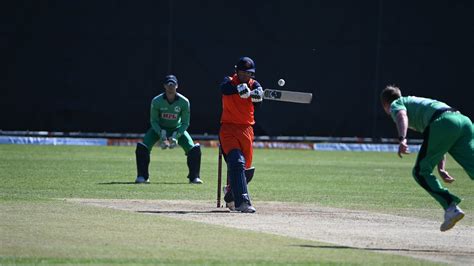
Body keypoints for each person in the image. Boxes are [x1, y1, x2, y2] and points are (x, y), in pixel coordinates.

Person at [380, 85, 473, 231]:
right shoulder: (417, 103)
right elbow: (439, 140)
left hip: (444, 122)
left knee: (420, 172)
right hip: (463, 121)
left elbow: (401, 115)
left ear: (385, 104)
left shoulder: (396, 104)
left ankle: (451, 207)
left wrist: (402, 138)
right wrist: (441, 168)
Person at [135, 75, 203, 184]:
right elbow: (154, 121)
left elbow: (185, 123)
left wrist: (176, 135)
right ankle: (142, 176)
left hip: (177, 129)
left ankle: (194, 177)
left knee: (193, 149)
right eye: (168, 85)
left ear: (177, 86)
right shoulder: (156, 101)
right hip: (158, 129)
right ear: (164, 86)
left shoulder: (184, 102)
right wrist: (161, 134)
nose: (171, 87)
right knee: (143, 147)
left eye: (173, 85)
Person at [219, 56, 264, 213]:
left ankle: (230, 194)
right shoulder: (229, 81)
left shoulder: (255, 85)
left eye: (249, 73)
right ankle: (243, 202)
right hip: (228, 129)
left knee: (246, 170)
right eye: (242, 72)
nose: (245, 76)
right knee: (236, 162)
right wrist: (238, 90)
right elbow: (224, 89)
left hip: (247, 130)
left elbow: (256, 107)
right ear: (236, 71)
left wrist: (258, 97)